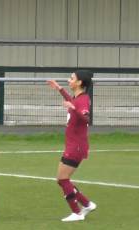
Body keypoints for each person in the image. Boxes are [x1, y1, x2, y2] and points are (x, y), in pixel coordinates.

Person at [46, 70, 97, 222]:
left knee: (62, 179)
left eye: (71, 78)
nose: (69, 80)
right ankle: (87, 204)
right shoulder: (78, 98)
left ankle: (77, 213)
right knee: (61, 179)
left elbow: (86, 117)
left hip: (77, 147)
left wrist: (73, 108)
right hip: (72, 145)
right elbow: (73, 103)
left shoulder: (83, 100)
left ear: (79, 82)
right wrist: (59, 89)